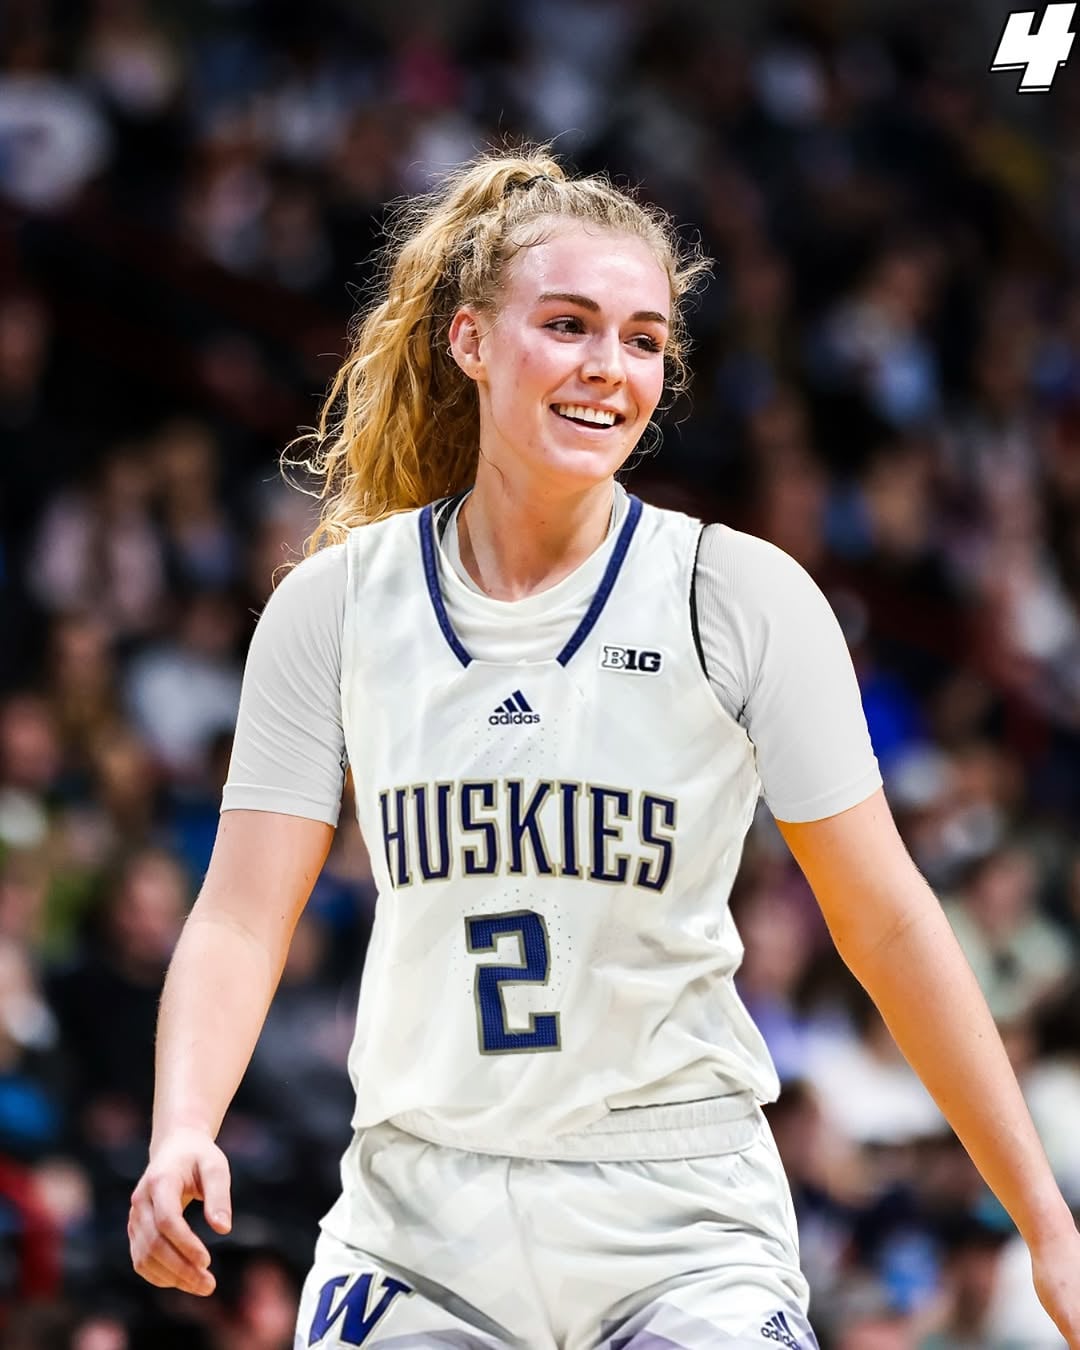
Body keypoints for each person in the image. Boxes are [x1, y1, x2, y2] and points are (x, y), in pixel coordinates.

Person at [127, 148, 1080, 1349]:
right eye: (568, 325)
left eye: (642, 340)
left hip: (679, 1212)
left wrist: (1045, 1217)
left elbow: (887, 922)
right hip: (421, 1212)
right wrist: (183, 1123)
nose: (607, 367)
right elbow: (238, 917)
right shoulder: (337, 606)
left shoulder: (738, 595)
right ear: (470, 340)